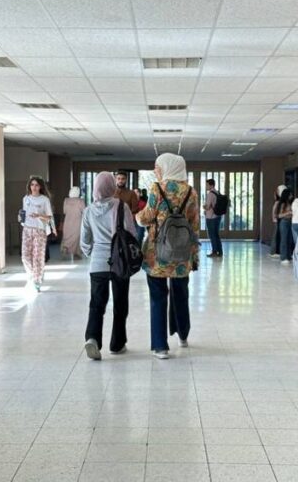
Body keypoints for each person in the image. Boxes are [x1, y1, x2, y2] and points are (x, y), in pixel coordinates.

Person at [136, 153, 199, 360]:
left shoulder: (157, 188)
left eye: (158, 167)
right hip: (182, 254)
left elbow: (147, 216)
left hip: (158, 254)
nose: (156, 170)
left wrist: (137, 215)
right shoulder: (191, 192)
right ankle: (182, 335)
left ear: (166, 168)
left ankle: (161, 346)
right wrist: (194, 255)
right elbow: (195, 226)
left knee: (157, 297)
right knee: (181, 294)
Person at [80, 172, 137, 360]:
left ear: (96, 188)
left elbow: (85, 241)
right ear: (112, 186)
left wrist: (93, 254)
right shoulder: (122, 207)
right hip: (119, 263)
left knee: (96, 304)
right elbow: (131, 234)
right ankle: (117, 343)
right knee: (120, 304)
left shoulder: (88, 211)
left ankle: (93, 339)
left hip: (97, 264)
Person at [20, 176, 55, 292]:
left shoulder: (44, 200)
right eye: (32, 185)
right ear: (29, 186)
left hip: (40, 230)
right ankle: (32, 275)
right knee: (25, 256)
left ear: (40, 187)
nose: (34, 187)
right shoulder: (26, 198)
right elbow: (24, 213)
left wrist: (38, 216)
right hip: (27, 229)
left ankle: (37, 281)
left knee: (38, 257)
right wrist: (20, 217)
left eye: (36, 185)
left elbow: (49, 217)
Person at [61, 186, 86, 259]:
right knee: (77, 237)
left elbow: (64, 211)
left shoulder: (66, 200)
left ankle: (65, 248)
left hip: (67, 221)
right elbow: (84, 211)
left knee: (67, 236)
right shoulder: (81, 201)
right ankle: (77, 253)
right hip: (77, 221)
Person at [204, 178, 224, 258]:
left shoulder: (210, 194)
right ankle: (220, 251)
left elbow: (208, 206)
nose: (206, 186)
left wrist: (204, 207)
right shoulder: (217, 192)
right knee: (216, 234)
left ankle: (214, 252)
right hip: (218, 216)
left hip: (211, 217)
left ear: (211, 185)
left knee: (212, 235)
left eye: (207, 185)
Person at [268, 185, 286, 258]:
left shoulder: (278, 202)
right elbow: (274, 212)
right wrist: (275, 218)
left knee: (277, 236)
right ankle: (274, 251)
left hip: (277, 220)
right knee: (276, 236)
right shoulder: (278, 202)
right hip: (277, 220)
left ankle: (276, 251)